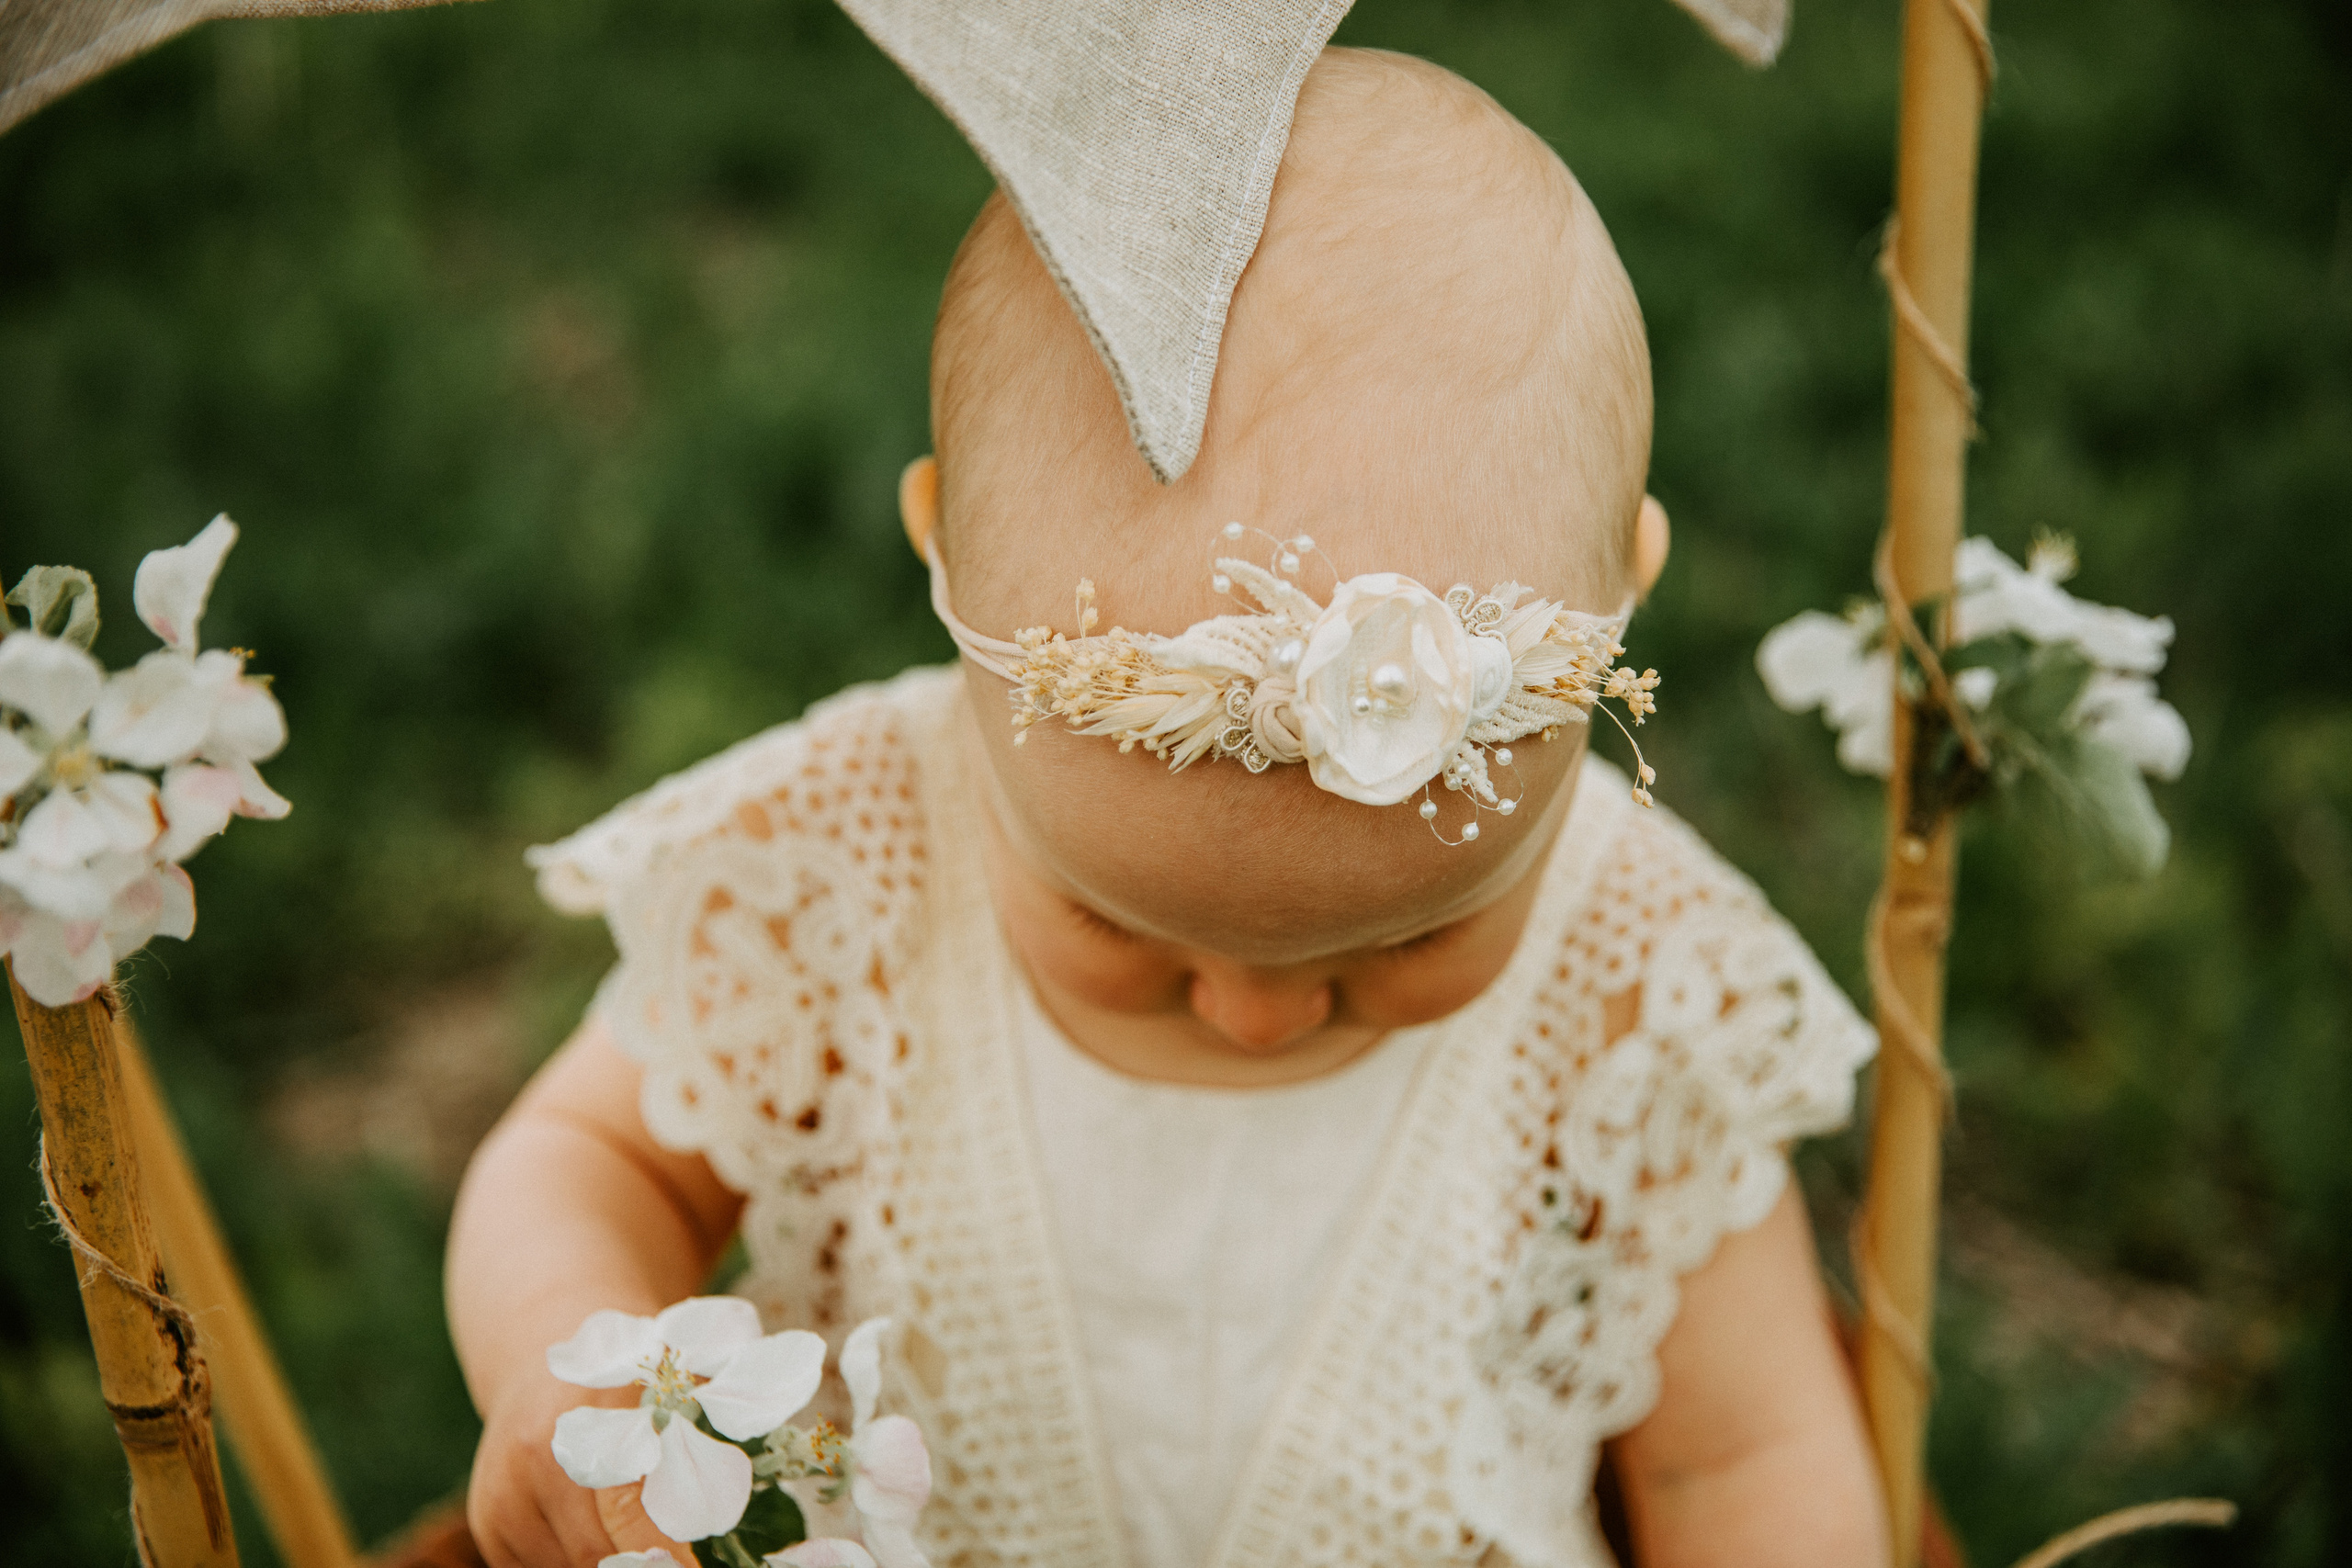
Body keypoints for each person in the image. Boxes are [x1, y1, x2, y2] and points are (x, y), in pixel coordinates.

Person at [447, 47, 1888, 1568]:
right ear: (945, 568)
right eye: (1111, 915)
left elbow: (1748, 1464)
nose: (1254, 1014)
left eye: (1408, 936)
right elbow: (585, 1161)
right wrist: (562, 1344)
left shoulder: (1635, 980)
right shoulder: (850, 865)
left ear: (1624, 597)